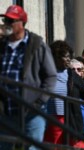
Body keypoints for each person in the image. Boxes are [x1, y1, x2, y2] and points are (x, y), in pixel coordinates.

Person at [0, 5, 57, 150]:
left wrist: (40, 101)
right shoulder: (3, 45)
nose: (7, 23)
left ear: (22, 23)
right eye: (5, 20)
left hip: (32, 110)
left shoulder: (37, 45)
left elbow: (51, 76)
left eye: (11, 20)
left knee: (32, 147)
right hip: (7, 109)